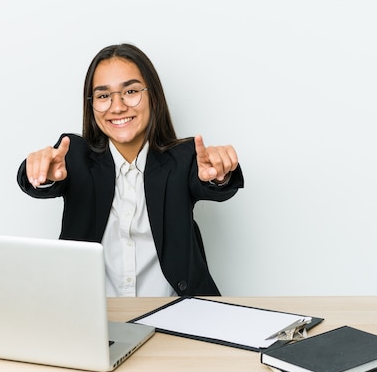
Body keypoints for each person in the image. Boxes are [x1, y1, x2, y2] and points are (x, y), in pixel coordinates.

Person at [17, 43, 243, 297]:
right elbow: (43, 179)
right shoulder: (75, 156)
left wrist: (220, 176)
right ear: (91, 106)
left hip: (178, 314)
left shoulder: (183, 158)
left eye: (131, 91)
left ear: (153, 97)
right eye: (103, 96)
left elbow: (215, 185)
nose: (117, 107)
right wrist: (38, 172)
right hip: (92, 316)